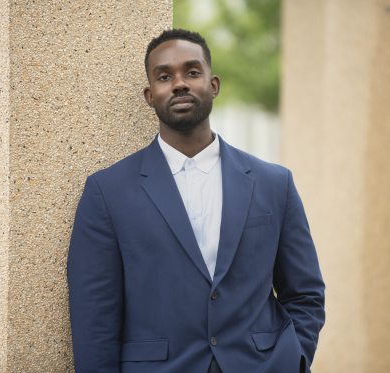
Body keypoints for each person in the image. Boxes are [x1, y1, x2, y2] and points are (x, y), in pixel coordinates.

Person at [67, 28, 325, 373]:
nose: (179, 84)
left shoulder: (274, 183)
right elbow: (94, 312)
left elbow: (305, 291)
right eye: (164, 76)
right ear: (150, 95)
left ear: (213, 84)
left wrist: (293, 358)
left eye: (192, 72)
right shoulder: (107, 191)